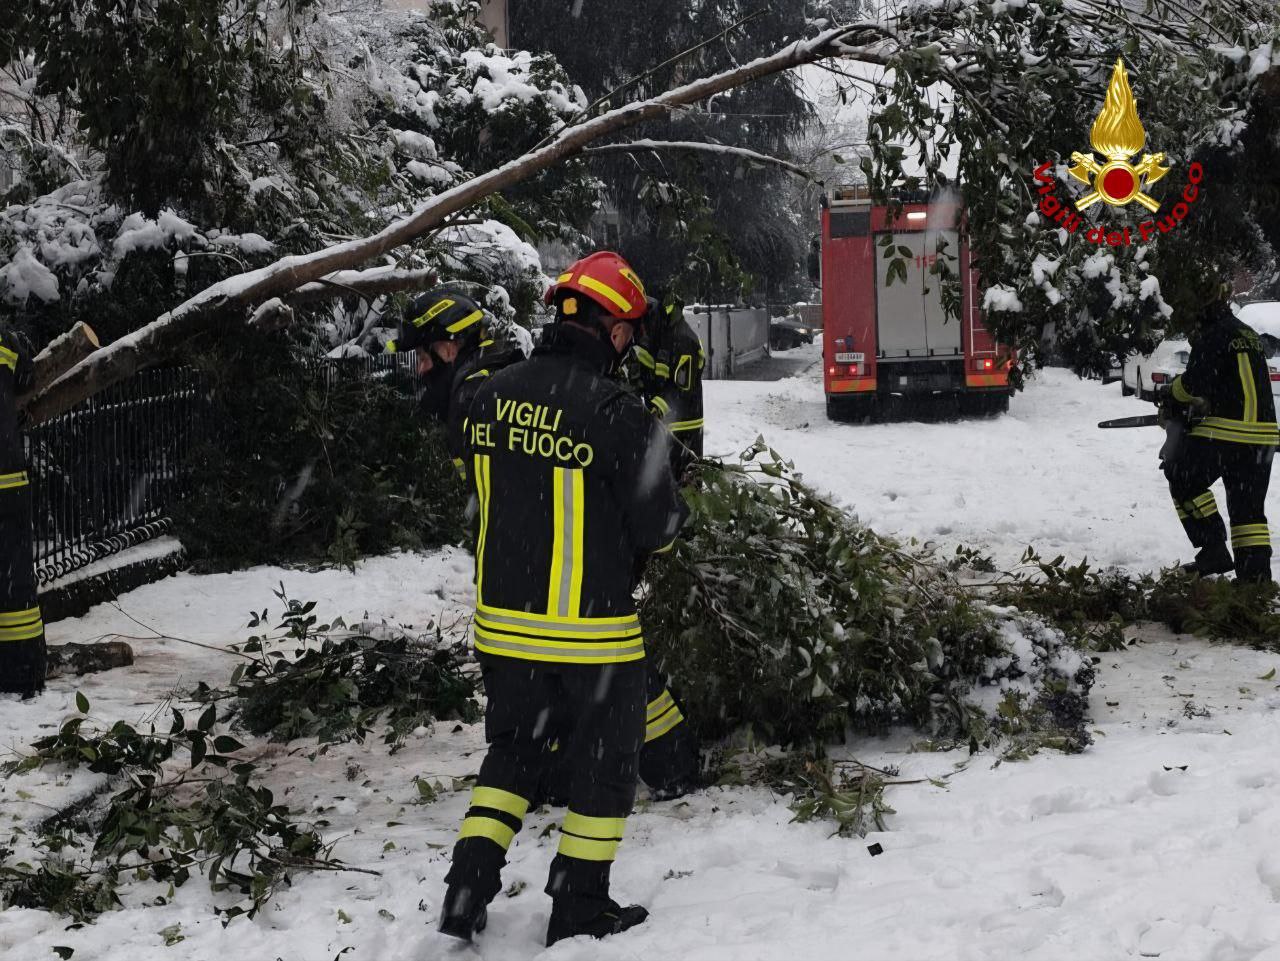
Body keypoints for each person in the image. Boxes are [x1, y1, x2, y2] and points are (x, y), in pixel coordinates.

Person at [438, 252, 688, 947]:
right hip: (592, 635)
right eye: (628, 334)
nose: (630, 346)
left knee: (513, 754)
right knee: (606, 769)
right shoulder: (618, 412)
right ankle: (579, 902)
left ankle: (468, 884)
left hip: (502, 629)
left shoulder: (484, 395)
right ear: (612, 332)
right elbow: (661, 528)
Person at [1164, 280, 1278, 582]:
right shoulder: (1246, 333)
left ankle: (1213, 546)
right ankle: (1255, 581)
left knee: (1179, 473)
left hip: (1226, 432)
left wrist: (1169, 395)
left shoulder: (1212, 336)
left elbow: (1193, 384)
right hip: (1263, 437)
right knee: (1249, 511)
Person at [388, 286, 524, 478]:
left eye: (422, 357)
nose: (420, 369)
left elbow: (467, 486)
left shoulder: (472, 399)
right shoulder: (495, 380)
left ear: (450, 347)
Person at [0, 321, 46, 697]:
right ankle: (24, 669)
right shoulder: (6, 341)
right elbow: (27, 378)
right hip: (9, 479)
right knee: (16, 585)